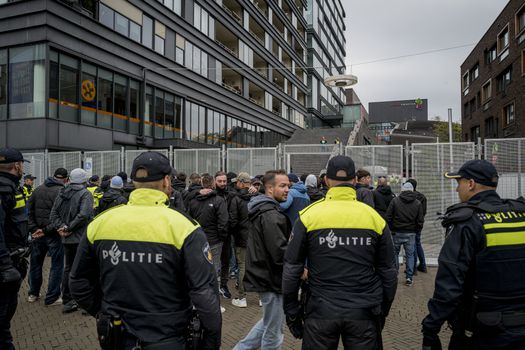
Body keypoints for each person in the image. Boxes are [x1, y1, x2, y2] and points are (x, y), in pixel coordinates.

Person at [70, 151, 222, 349]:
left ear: (134, 181)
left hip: (115, 334)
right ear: (167, 181)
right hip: (168, 337)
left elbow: (78, 283)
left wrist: (103, 312)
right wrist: (211, 342)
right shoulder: (185, 227)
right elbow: (204, 294)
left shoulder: (100, 223)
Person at [282, 155, 398, 350]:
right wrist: (382, 309)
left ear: (326, 180)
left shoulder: (309, 216)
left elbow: (292, 269)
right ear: (354, 181)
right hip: (364, 311)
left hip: (320, 311)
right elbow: (389, 271)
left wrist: (292, 312)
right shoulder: (374, 219)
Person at [422, 160, 525, 350]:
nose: (456, 190)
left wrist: (431, 326)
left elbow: (449, 285)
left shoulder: (468, 223)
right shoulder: (521, 216)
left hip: (484, 330)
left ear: (471, 184)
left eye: (458, 183)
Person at [234, 170, 291, 350]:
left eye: (288, 186)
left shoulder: (267, 210)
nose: (287, 190)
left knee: (269, 323)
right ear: (269, 188)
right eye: (282, 186)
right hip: (272, 278)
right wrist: (298, 270)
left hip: (267, 276)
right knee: (274, 333)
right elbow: (279, 251)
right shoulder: (270, 215)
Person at [50, 168, 94, 314]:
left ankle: (68, 299)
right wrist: (69, 227)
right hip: (80, 238)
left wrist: (62, 227)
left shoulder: (62, 192)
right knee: (84, 269)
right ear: (83, 180)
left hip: (67, 238)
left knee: (68, 268)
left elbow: (53, 214)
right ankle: (82, 300)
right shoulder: (85, 193)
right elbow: (84, 215)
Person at [0, 148, 30, 350]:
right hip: (6, 269)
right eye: (22, 165)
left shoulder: (10, 186)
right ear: (17, 165)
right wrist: (5, 266)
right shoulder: (4, 188)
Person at [27, 167, 68, 306]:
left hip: (37, 234)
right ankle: (52, 297)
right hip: (53, 235)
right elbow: (61, 217)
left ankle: (33, 293)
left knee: (35, 264)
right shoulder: (61, 192)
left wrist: (34, 229)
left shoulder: (37, 189)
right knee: (57, 265)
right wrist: (45, 230)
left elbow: (29, 212)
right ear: (66, 180)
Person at [187, 174, 229, 288]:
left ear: (201, 184)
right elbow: (223, 221)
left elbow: (189, 221)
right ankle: (214, 300)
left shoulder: (193, 201)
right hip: (215, 240)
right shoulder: (218, 200)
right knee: (214, 268)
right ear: (213, 184)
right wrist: (222, 237)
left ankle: (198, 297)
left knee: (198, 268)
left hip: (198, 240)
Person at [385, 182, 424, 286]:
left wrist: (391, 228)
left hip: (396, 232)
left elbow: (388, 216)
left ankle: (395, 275)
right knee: (410, 255)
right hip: (411, 233)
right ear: (412, 190)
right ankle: (409, 277)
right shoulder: (417, 203)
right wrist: (417, 230)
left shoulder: (395, 201)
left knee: (394, 255)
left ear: (402, 190)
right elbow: (420, 220)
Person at [229, 172, 258, 308]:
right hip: (256, 236)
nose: (235, 184)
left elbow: (233, 220)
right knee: (257, 266)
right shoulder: (256, 197)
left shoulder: (236, 199)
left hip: (241, 237)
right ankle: (261, 298)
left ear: (241, 183)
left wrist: (233, 234)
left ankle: (242, 298)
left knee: (242, 266)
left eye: (237, 182)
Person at [215, 171, 236, 300]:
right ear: (215, 181)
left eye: (224, 181)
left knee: (225, 261)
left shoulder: (230, 195)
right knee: (213, 263)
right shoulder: (210, 194)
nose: (222, 184)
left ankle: (223, 285)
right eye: (220, 181)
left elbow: (242, 195)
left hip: (227, 234)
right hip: (213, 235)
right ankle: (213, 287)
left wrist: (253, 190)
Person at [406, 178, 428, 273]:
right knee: (418, 244)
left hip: (410, 224)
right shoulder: (422, 197)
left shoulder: (407, 197)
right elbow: (424, 212)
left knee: (412, 245)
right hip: (419, 224)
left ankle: (413, 268)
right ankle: (423, 265)